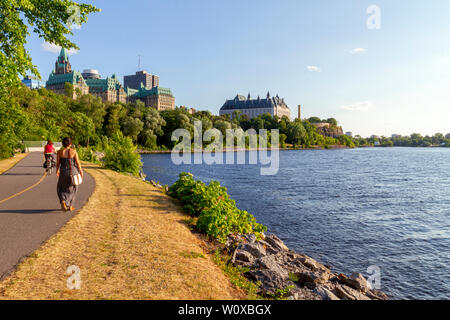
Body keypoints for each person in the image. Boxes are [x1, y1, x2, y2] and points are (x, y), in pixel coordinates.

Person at [56, 137, 83, 212]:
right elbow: (77, 163)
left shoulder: (59, 152)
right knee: (73, 188)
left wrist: (57, 170)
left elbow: (58, 163)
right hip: (73, 172)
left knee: (60, 188)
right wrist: (81, 171)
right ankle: (70, 205)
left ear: (63, 144)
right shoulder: (73, 152)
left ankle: (63, 201)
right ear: (70, 143)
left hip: (63, 172)